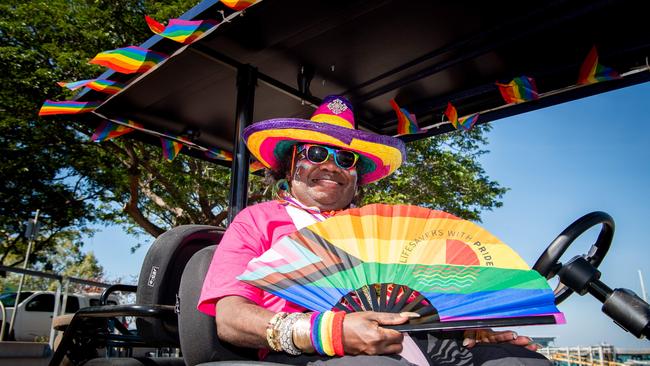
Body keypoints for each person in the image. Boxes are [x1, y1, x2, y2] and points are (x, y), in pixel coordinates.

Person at [198, 95, 550, 365]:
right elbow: (230, 319)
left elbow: (424, 301)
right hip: (309, 353)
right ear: (291, 164)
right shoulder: (257, 221)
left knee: (520, 359)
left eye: (345, 159)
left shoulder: (383, 233)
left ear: (357, 176)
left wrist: (468, 326)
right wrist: (330, 332)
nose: (331, 166)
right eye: (316, 153)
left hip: (422, 342)